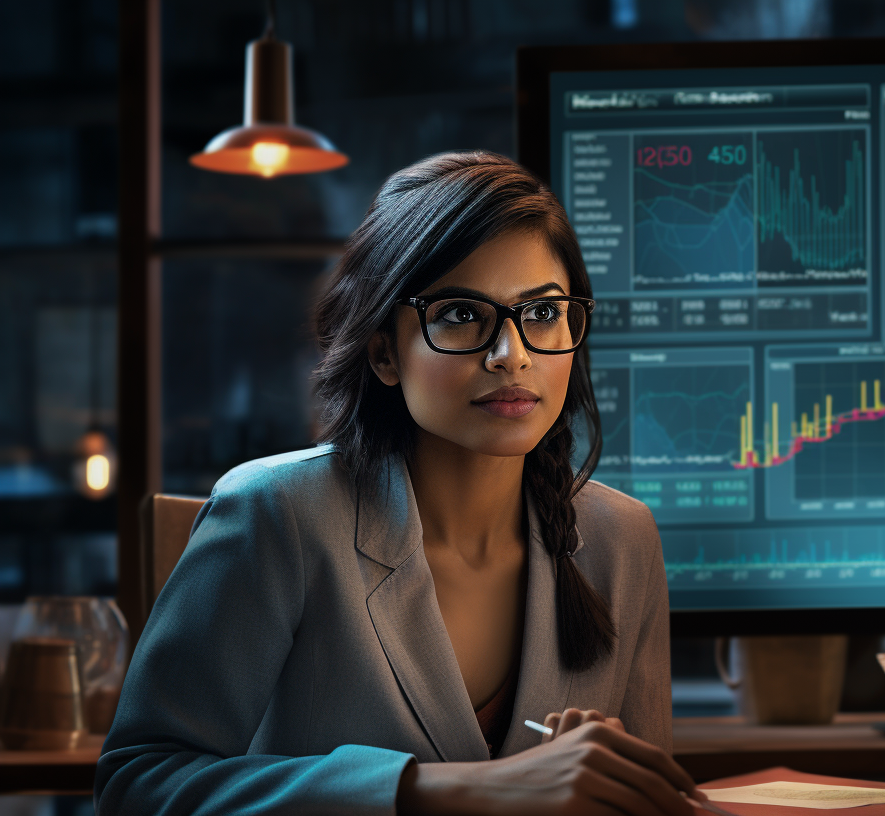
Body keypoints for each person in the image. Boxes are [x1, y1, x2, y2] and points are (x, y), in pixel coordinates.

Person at [95, 152, 704, 816]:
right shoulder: (279, 514)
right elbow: (138, 784)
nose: (513, 355)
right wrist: (439, 789)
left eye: (542, 313)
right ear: (385, 352)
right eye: (461, 315)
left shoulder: (622, 539)